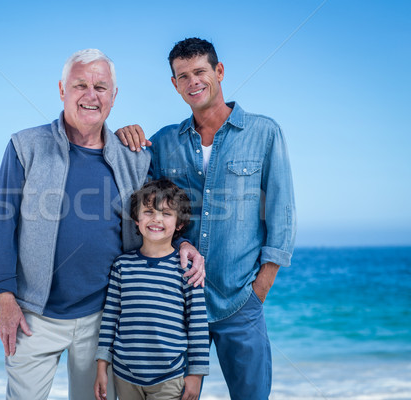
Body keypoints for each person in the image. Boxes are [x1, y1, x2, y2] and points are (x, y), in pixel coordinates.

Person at [0, 48, 205, 400]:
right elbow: (3, 224)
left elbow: (163, 210)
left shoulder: (134, 156)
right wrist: (5, 298)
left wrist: (183, 244)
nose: (91, 96)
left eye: (101, 87)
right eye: (81, 85)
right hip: (33, 315)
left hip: (103, 319)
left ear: (114, 97)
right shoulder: (24, 146)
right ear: (62, 90)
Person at [116, 38, 297, 400]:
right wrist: (122, 136)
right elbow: (150, 207)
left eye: (200, 71)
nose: (193, 81)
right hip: (177, 304)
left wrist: (259, 289)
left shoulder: (264, 133)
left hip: (238, 301)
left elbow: (282, 212)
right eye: (183, 76)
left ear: (219, 72)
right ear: (174, 84)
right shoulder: (164, 141)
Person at [94, 179, 209, 400]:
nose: (156, 219)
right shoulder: (122, 266)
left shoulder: (188, 269)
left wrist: (196, 375)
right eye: (148, 211)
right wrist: (102, 365)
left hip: (169, 378)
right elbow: (110, 319)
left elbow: (197, 325)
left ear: (179, 224)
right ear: (136, 219)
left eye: (166, 213)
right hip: (124, 375)